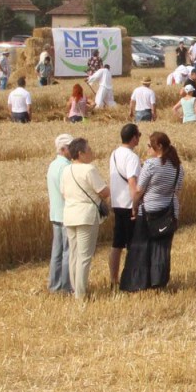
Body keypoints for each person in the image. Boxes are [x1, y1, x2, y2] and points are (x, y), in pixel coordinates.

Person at [120, 132, 184, 292]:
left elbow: (139, 191)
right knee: (161, 249)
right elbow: (177, 191)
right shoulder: (178, 167)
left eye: (150, 146)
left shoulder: (151, 165)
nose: (147, 149)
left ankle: (138, 282)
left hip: (148, 212)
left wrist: (134, 207)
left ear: (159, 146)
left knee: (141, 248)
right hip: (169, 214)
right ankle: (158, 281)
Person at [60, 138, 110, 300]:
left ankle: (75, 289)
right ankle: (80, 295)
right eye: (89, 150)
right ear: (80, 153)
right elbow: (103, 192)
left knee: (74, 255)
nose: (91, 152)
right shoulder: (89, 169)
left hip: (69, 214)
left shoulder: (66, 170)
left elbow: (63, 192)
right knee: (84, 256)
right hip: (86, 215)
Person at [108, 124, 142, 289]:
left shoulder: (114, 154)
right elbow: (132, 182)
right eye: (139, 135)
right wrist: (136, 204)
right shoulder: (132, 157)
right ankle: (131, 279)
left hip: (117, 203)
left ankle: (113, 279)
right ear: (134, 138)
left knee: (117, 244)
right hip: (129, 204)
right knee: (132, 245)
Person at [47, 133, 74, 294]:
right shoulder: (66, 167)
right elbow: (68, 192)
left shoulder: (52, 165)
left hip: (55, 213)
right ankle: (66, 286)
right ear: (63, 149)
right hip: (66, 213)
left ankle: (54, 285)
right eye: (71, 147)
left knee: (56, 252)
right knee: (68, 252)